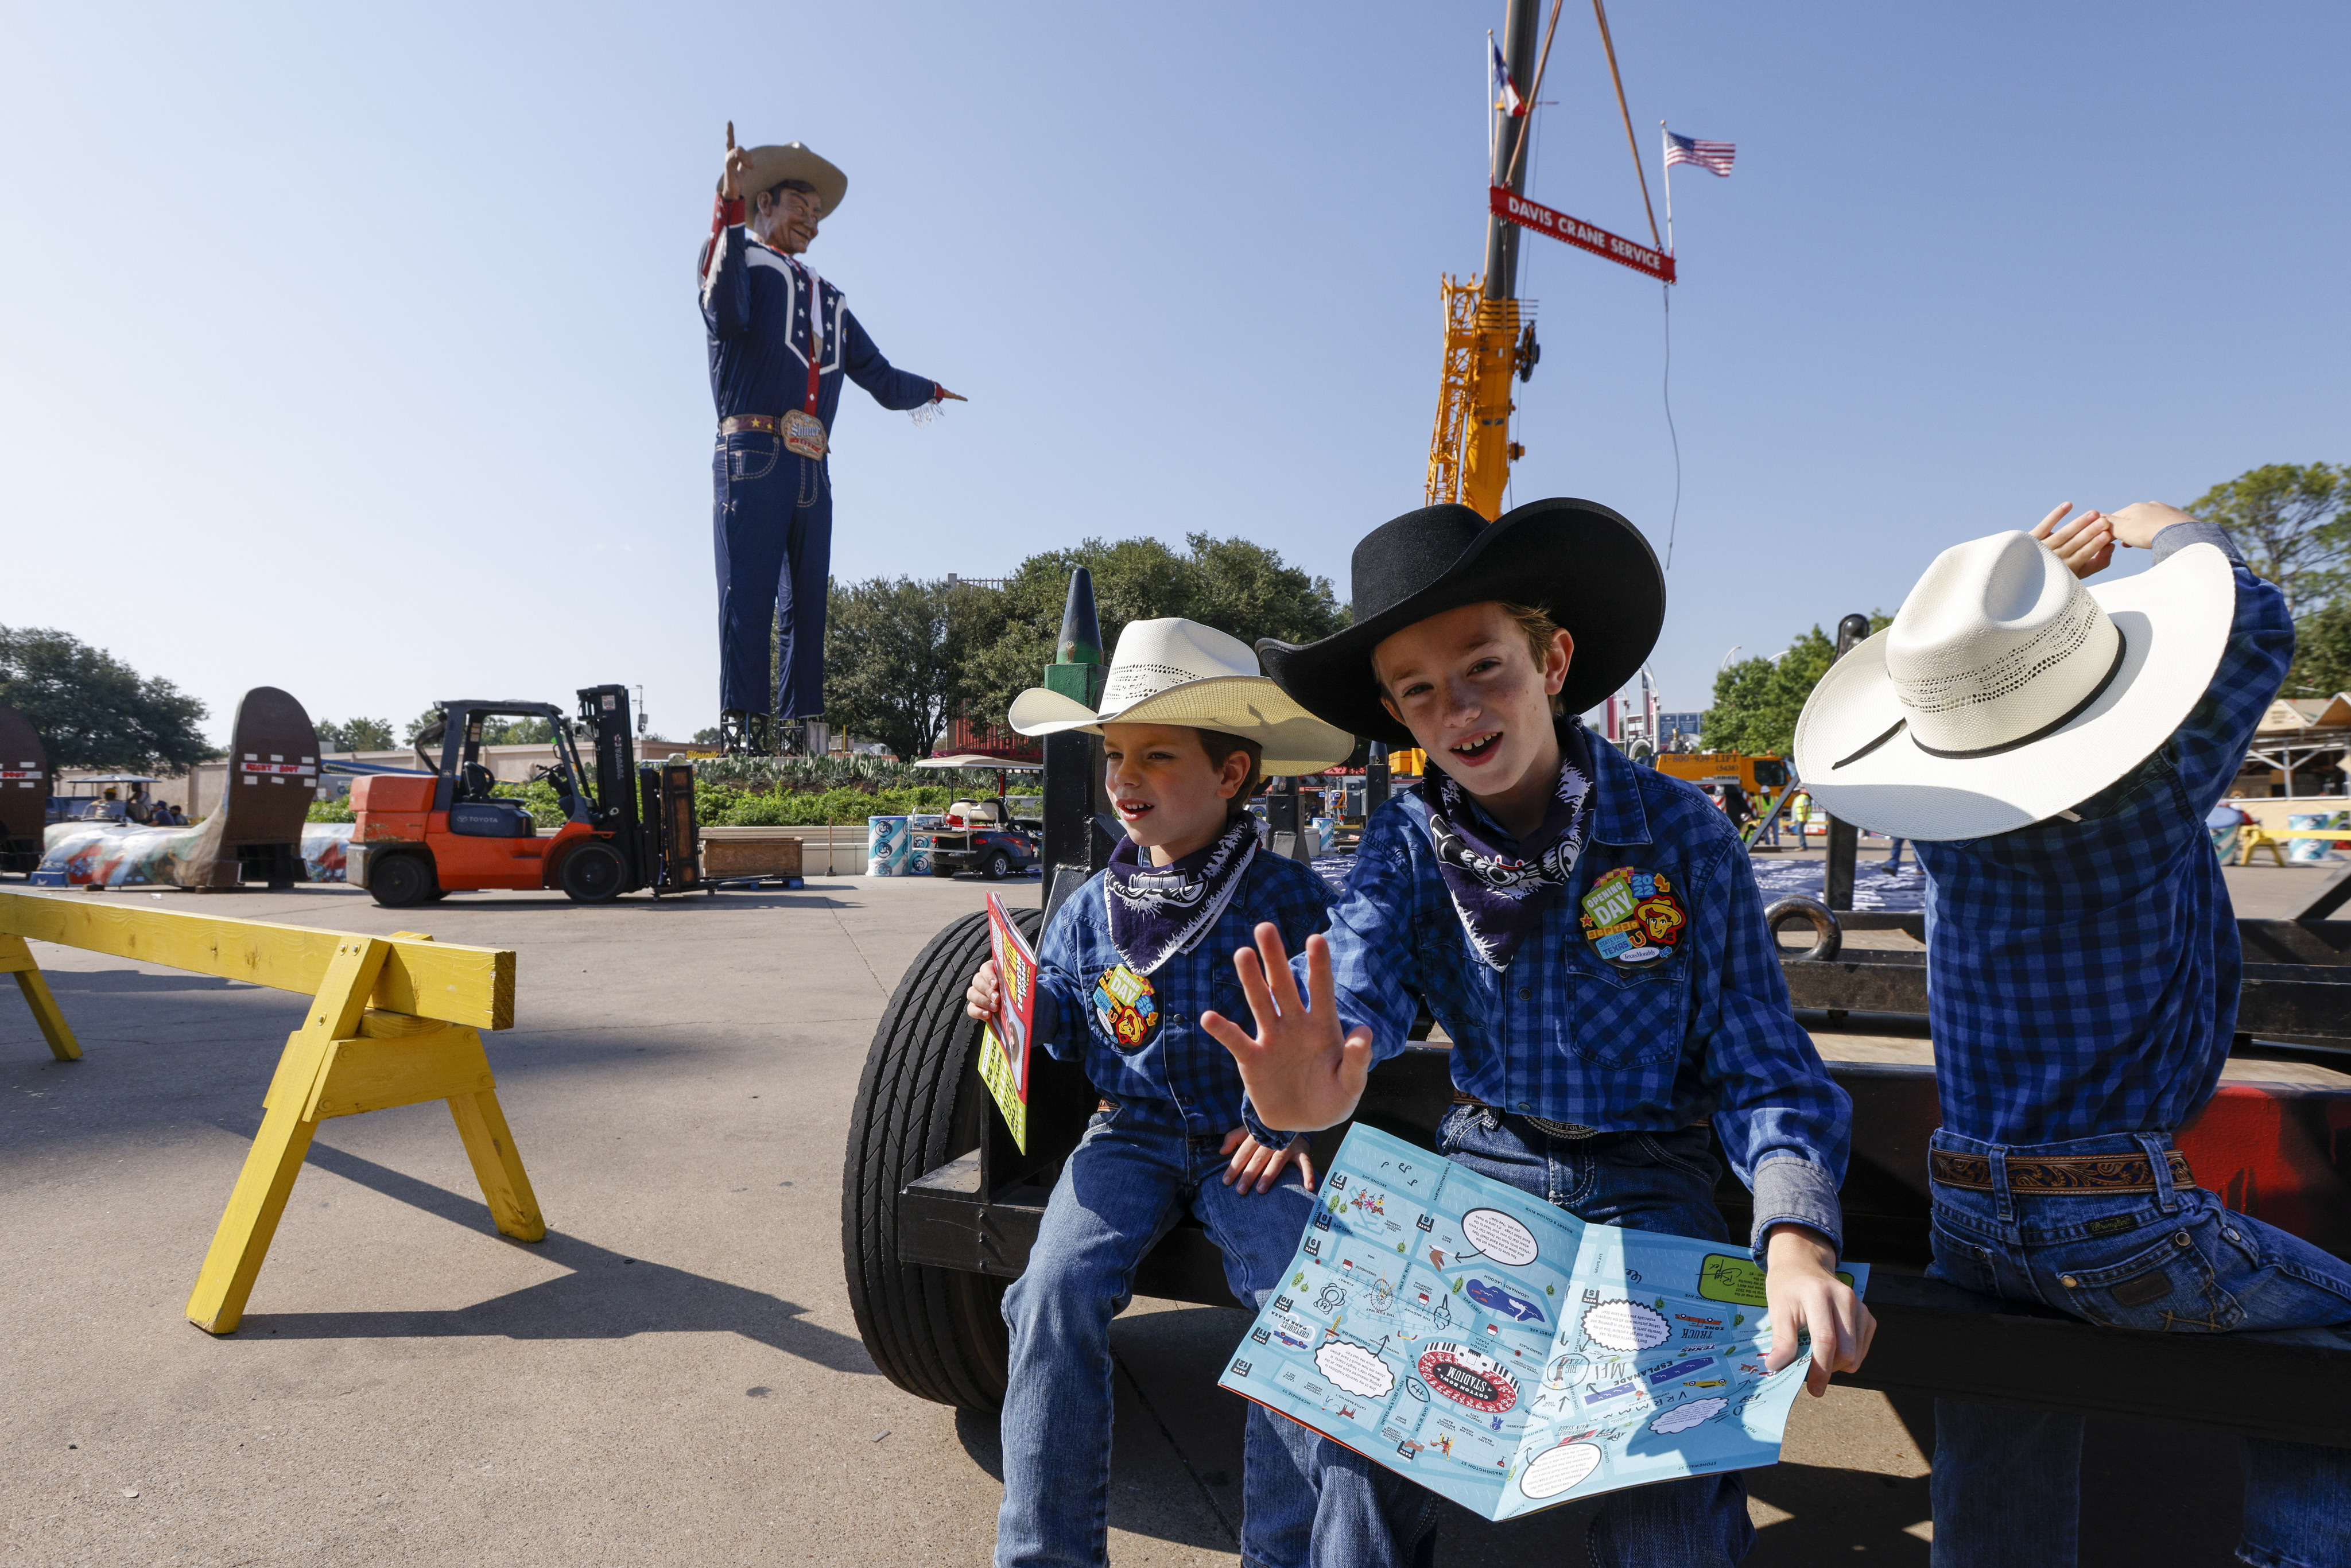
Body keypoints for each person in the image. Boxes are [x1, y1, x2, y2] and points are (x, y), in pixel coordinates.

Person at [1212, 499, 1874, 1567]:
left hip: (1653, 1175)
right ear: (1394, 710)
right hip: (1478, 1169)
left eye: (1485, 666)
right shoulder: (1407, 840)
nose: (1458, 708)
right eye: (1420, 689)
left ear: (1554, 660)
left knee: (1674, 1492)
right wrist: (1318, 1081)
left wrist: (1795, 1236)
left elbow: (1764, 1061)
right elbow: (1360, 981)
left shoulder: (1681, 834)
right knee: (1356, 1434)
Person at [1791, 500, 2347, 1568]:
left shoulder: (1940, 824)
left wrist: (1999, 624)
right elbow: (2262, 626)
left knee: (2002, 1418)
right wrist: (2180, 536)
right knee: (2334, 1353)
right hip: (2122, 1213)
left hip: (1967, 1208)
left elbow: (1959, 694)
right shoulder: (2150, 792)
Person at [966, 618, 1356, 1568]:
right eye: (1113, 755)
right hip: (1126, 1134)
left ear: (1230, 777)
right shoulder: (1091, 904)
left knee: (1298, 1305)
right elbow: (1058, 1006)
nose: (1123, 778)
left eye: (1156, 755)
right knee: (1050, 1295)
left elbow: (1338, 1025)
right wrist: (1007, 1000)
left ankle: (1284, 1552)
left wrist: (1291, 1116)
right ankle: (1046, 1554)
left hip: (1250, 1141)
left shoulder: (1290, 900)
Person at [700, 125, 962, 756]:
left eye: (818, 214)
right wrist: (728, 212)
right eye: (800, 207)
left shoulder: (832, 299)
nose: (811, 222)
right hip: (753, 452)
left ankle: (800, 734)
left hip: (813, 465)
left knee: (807, 606)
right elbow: (726, 314)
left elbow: (877, 374)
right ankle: (746, 735)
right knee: (749, 596)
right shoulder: (737, 258)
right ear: (765, 203)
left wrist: (929, 390)